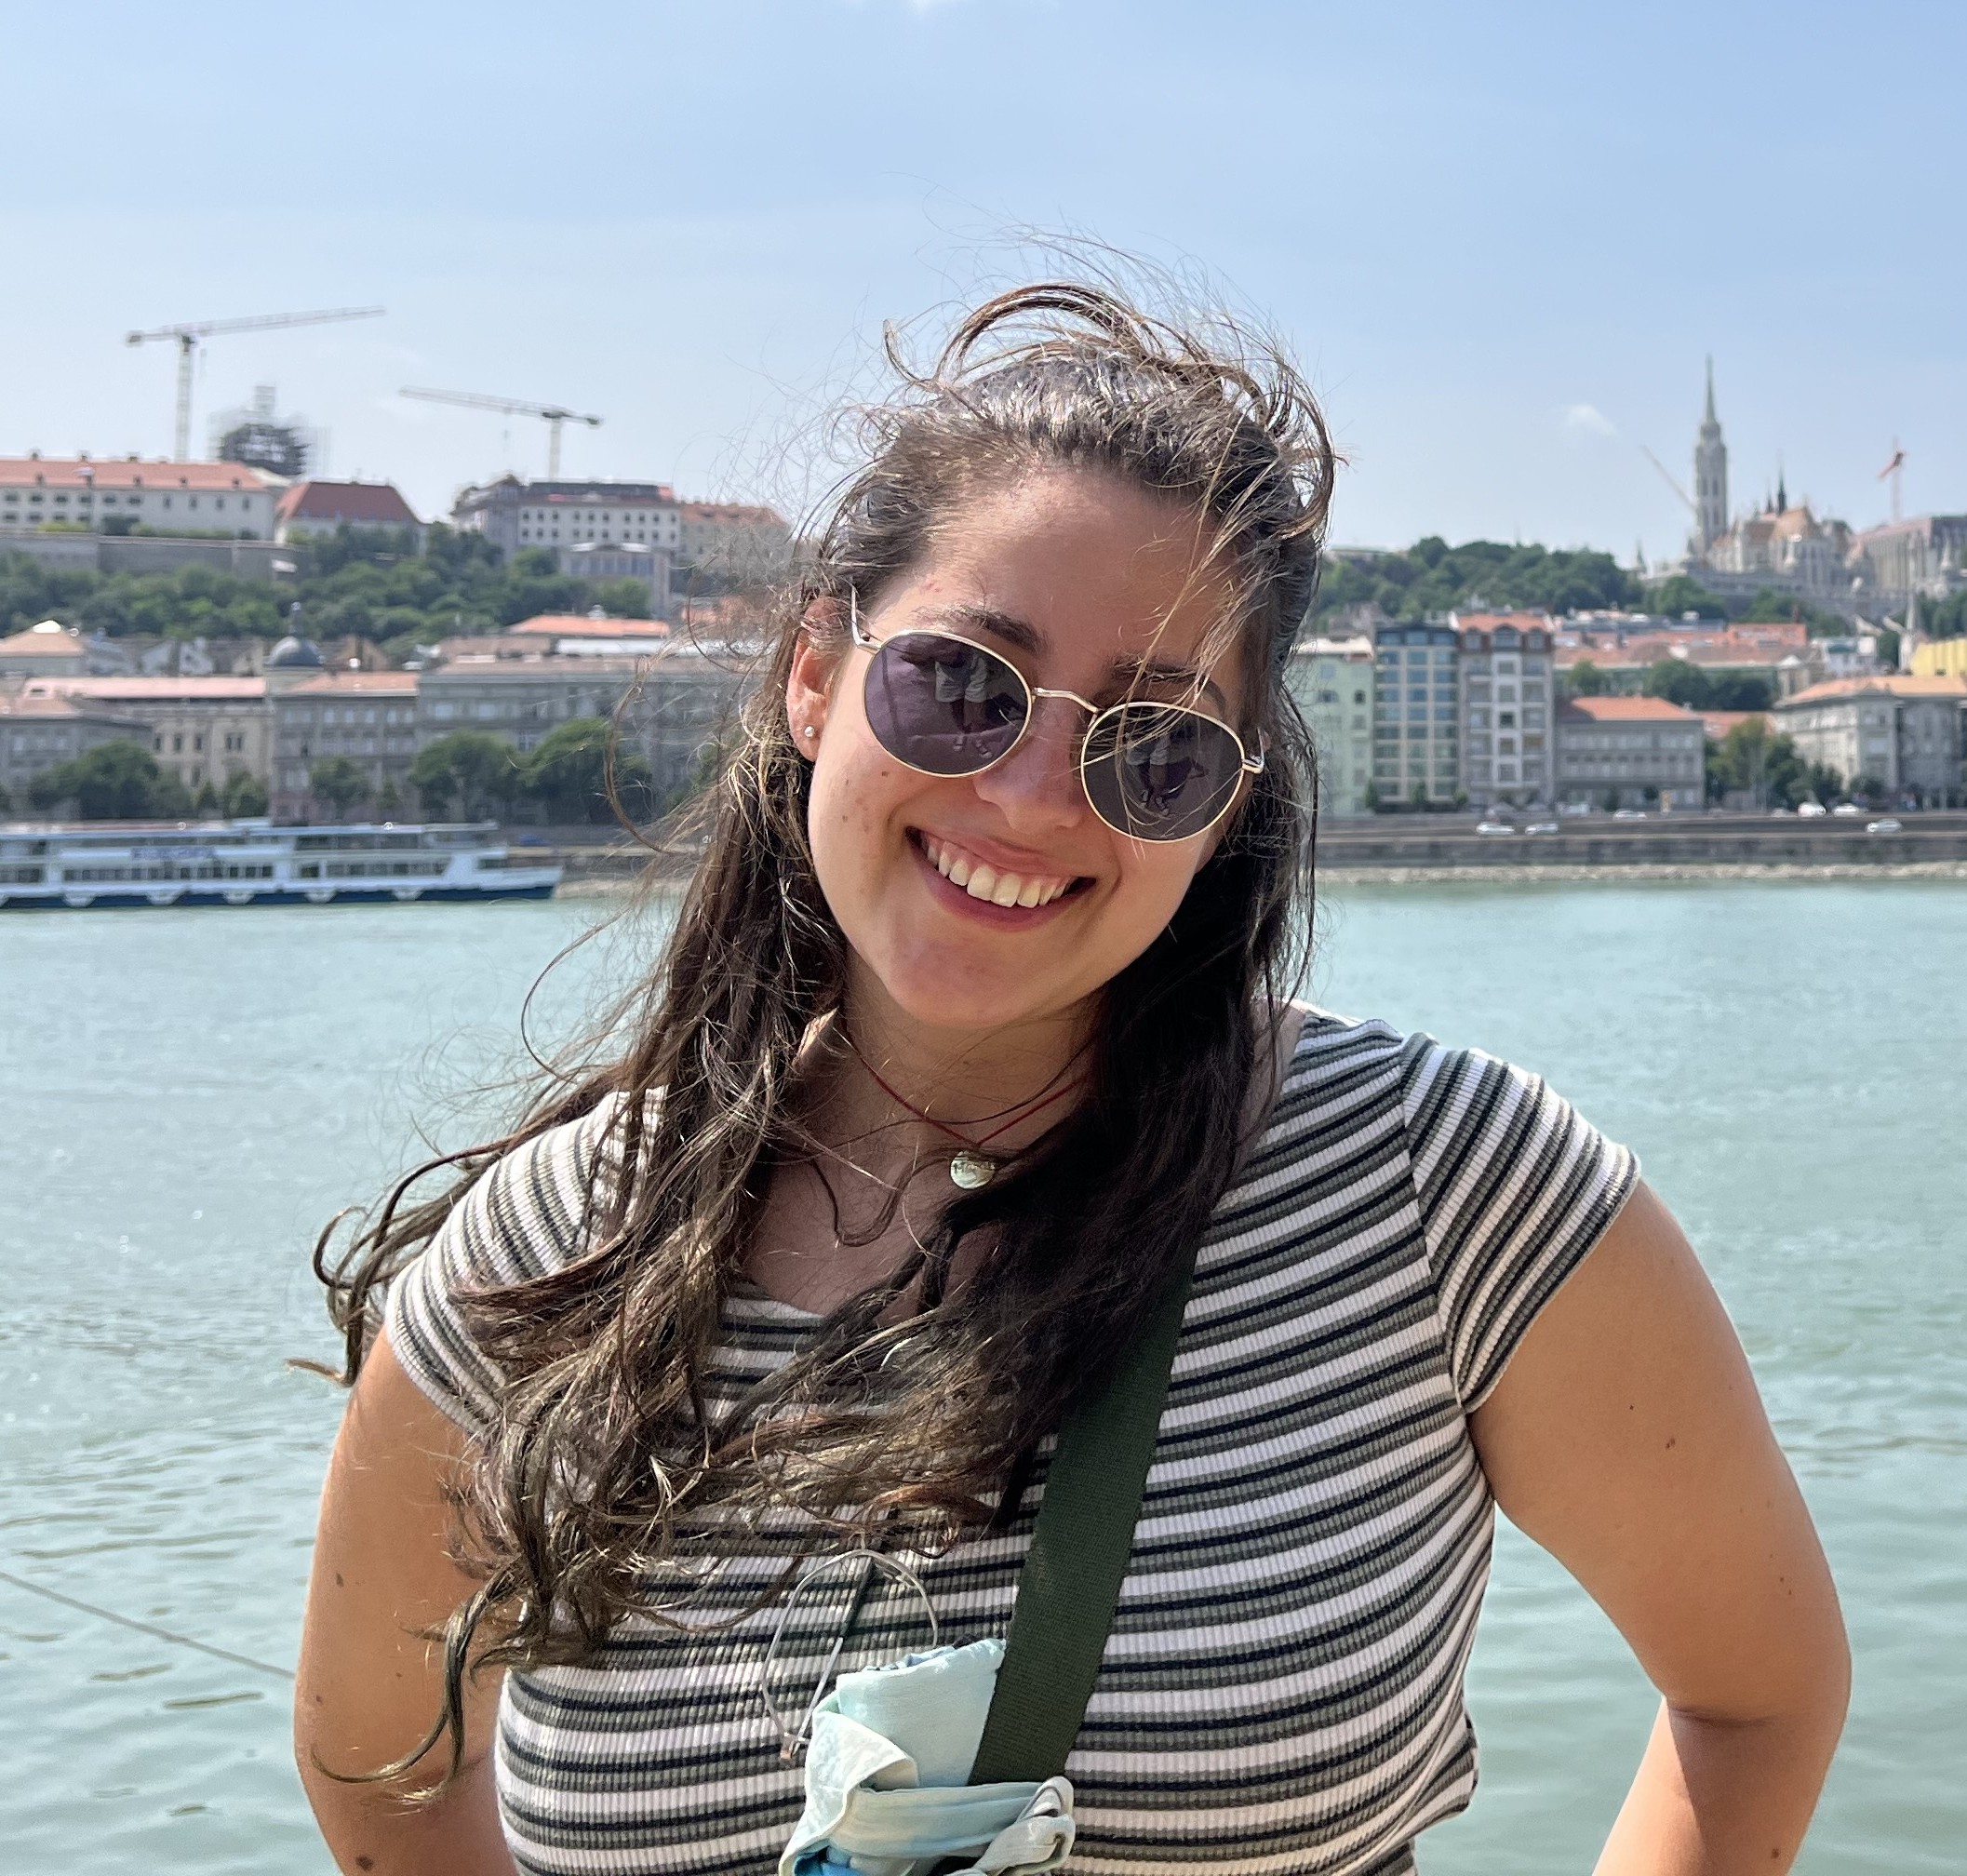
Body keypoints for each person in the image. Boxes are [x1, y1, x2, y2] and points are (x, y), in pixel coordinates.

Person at [296, 282, 1848, 1876]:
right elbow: (378, 1763)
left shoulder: (1446, 1187)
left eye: (1154, 749)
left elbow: (1755, 1690)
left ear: (1225, 806)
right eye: (962, 686)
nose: (1031, 797)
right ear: (814, 677)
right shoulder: (542, 1258)